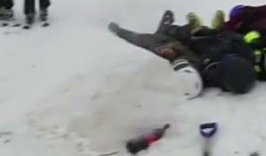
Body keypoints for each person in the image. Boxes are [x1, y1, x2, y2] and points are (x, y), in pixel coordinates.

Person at [109, 12, 258, 95]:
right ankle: (188, 28)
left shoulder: (209, 71)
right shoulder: (244, 56)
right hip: (206, 40)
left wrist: (172, 55)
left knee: (154, 41)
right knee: (171, 38)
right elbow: (236, 40)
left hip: (190, 45)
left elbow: (190, 68)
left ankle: (123, 32)